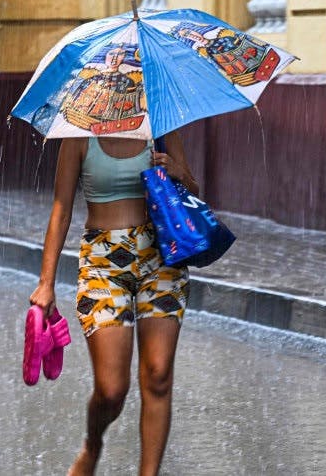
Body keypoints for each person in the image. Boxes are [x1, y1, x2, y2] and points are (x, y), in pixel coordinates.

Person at [28, 132, 199, 476]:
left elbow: (192, 189)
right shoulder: (78, 134)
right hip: (103, 264)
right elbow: (61, 210)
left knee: (159, 376)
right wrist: (46, 284)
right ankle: (93, 444)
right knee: (111, 389)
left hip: (161, 259)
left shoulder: (160, 124)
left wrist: (177, 173)